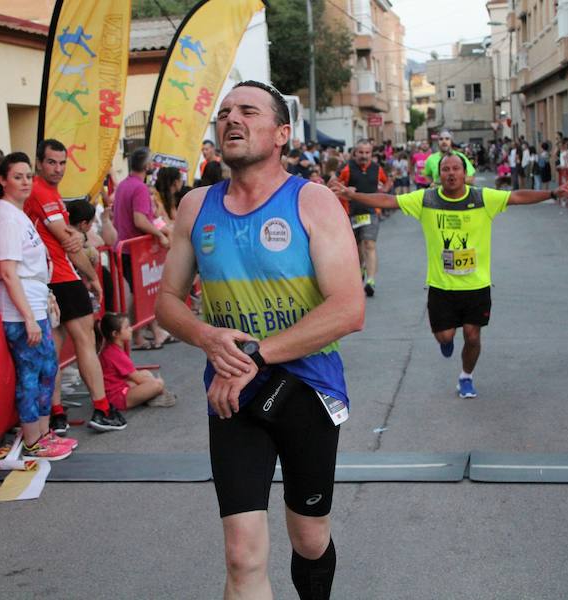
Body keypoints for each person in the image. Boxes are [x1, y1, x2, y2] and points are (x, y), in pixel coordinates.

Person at [155, 80, 364, 599]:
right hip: (231, 395)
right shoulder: (195, 206)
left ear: (282, 134)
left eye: (248, 111)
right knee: (241, 555)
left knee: (309, 538)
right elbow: (167, 303)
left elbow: (348, 308)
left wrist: (256, 354)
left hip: (307, 390)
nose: (232, 119)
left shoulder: (313, 202)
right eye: (224, 112)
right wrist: (206, 336)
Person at [330, 153, 568, 399]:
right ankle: (446, 341)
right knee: (445, 336)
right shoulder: (426, 199)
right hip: (441, 285)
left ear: (464, 172)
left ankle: (466, 377)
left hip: (476, 284)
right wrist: (352, 195)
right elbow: (389, 200)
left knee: (472, 335)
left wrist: (553, 193)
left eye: (456, 168)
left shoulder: (482, 198)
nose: (451, 173)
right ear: (439, 175)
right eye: (446, 169)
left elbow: (517, 196)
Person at [24, 139, 125, 433]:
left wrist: (74, 239)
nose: (57, 169)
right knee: (84, 342)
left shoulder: (46, 193)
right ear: (38, 164)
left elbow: (67, 236)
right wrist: (92, 277)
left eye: (62, 163)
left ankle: (55, 413)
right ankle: (102, 407)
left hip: (47, 280)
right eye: (51, 162)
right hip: (62, 279)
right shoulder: (42, 192)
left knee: (53, 349)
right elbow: (68, 242)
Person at [0, 152, 76, 459]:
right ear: (2, 180)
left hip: (34, 302)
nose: (25, 182)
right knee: (31, 373)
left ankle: (43, 433)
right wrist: (27, 316)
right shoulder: (5, 216)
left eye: (28, 176)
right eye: (17, 177)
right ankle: (34, 439)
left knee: (46, 369)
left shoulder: (17, 213)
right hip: (20, 310)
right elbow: (9, 271)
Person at [114, 147, 174, 350]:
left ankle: (147, 333)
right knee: (141, 294)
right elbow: (139, 219)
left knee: (140, 293)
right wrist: (159, 235)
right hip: (135, 250)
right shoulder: (139, 188)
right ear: (147, 166)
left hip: (126, 248)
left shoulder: (123, 185)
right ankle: (140, 336)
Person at [334, 139, 391, 297]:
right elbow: (332, 186)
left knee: (369, 244)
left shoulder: (377, 168)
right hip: (351, 213)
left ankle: (370, 280)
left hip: (371, 212)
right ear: (355, 152)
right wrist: (344, 190)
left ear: (371, 154)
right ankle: (361, 268)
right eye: (361, 152)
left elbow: (387, 182)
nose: (364, 156)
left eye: (367, 153)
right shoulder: (346, 168)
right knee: (358, 249)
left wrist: (383, 192)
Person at [97, 312, 176, 410]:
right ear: (115, 334)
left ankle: (150, 396)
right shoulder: (116, 354)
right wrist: (160, 386)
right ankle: (153, 397)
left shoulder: (110, 349)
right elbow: (139, 379)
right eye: (127, 327)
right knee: (157, 384)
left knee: (146, 373)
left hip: (118, 389)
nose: (131, 329)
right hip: (117, 398)